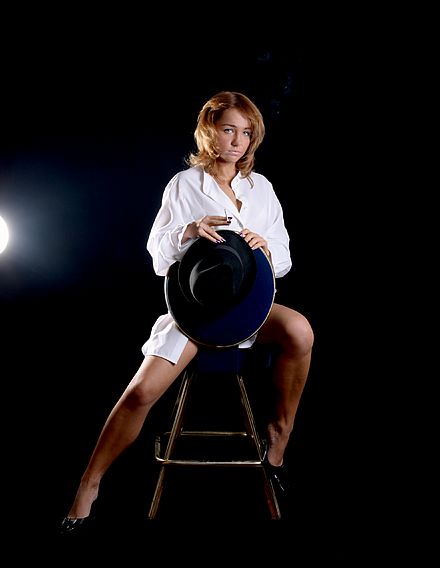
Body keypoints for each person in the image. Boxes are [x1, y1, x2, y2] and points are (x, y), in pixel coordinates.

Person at [61, 91, 314, 532]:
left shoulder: (261, 188)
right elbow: (158, 256)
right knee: (141, 393)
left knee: (300, 331)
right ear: (210, 131)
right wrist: (188, 231)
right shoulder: (184, 184)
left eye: (246, 131)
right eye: (228, 129)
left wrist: (263, 245)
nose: (237, 140)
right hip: (196, 312)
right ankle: (89, 483)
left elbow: (286, 258)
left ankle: (278, 441)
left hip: (250, 307)